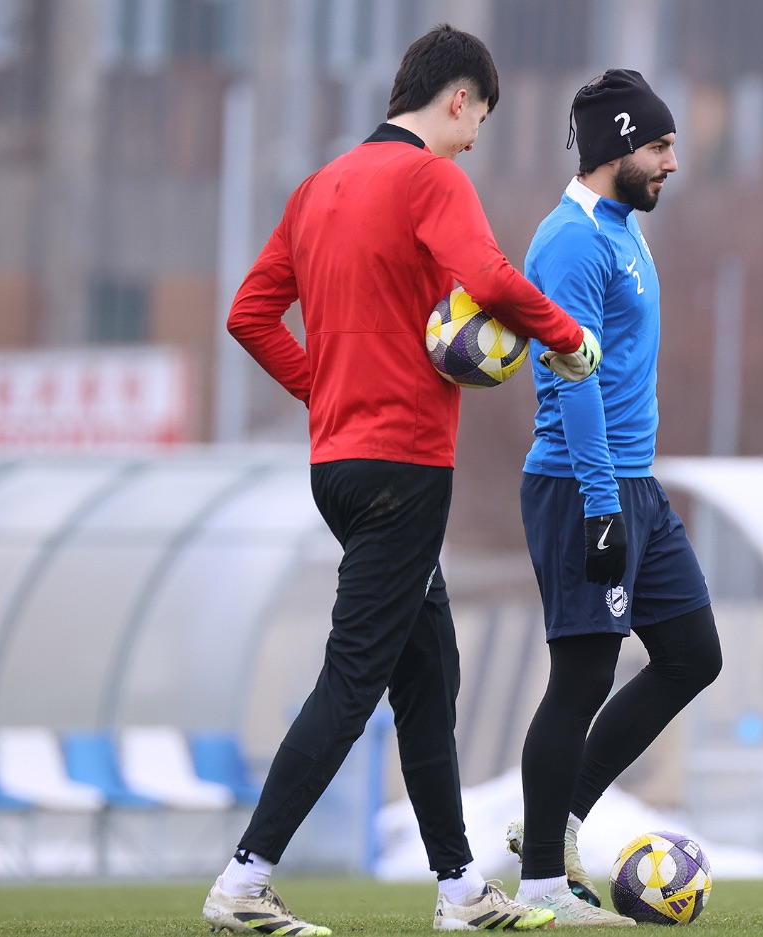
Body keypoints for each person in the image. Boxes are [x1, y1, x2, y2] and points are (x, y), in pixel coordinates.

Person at [201, 25, 601, 936]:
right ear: (457, 98)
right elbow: (487, 276)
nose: (474, 141)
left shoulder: (318, 187)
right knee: (354, 679)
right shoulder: (431, 179)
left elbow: (249, 314)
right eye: (479, 120)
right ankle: (243, 880)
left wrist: (323, 389)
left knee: (429, 672)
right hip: (404, 469)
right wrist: (566, 336)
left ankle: (460, 891)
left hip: (338, 465)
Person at [506, 70, 723, 927]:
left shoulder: (625, 230)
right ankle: (540, 885)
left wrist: (625, 493)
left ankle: (556, 822)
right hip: (580, 484)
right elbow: (574, 379)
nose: (672, 162)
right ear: (618, 147)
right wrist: (601, 505)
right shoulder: (570, 240)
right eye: (660, 146)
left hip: (634, 483)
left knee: (693, 654)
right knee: (583, 676)